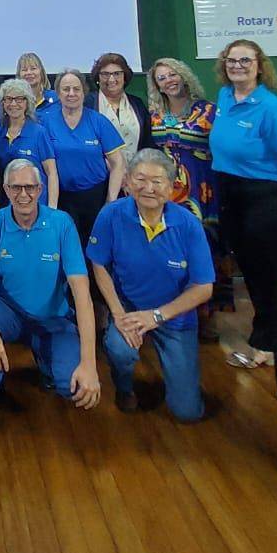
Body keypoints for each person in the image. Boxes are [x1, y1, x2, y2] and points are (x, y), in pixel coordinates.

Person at [0, 160, 101, 422]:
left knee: (75, 386)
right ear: (5, 189)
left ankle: (47, 361)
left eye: (29, 188)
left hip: (54, 319)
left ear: (40, 189)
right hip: (9, 311)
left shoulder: (62, 224)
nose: (23, 195)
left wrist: (90, 364)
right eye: (15, 188)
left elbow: (82, 295)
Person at [209, 39, 277, 368]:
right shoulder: (226, 97)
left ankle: (271, 347)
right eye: (231, 59)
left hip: (265, 199)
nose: (237, 65)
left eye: (245, 60)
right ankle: (268, 341)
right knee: (252, 274)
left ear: (260, 65)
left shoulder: (273, 109)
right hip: (232, 195)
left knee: (271, 277)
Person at [87, 149, 214, 421]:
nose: (148, 188)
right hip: (130, 311)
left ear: (171, 187)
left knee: (187, 412)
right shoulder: (110, 215)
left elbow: (204, 287)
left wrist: (157, 316)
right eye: (140, 179)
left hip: (175, 317)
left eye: (157, 182)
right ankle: (123, 387)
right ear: (128, 183)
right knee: (119, 349)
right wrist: (118, 315)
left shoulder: (189, 225)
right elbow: (99, 265)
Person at [147, 57, 231, 331]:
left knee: (204, 248)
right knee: (171, 250)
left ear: (183, 76)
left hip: (202, 190)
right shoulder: (155, 114)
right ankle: (174, 311)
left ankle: (206, 315)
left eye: (172, 74)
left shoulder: (208, 111)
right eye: (161, 78)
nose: (168, 81)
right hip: (166, 192)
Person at [43, 69, 126, 243]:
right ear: (58, 93)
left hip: (95, 197)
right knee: (66, 248)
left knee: (96, 248)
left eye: (76, 89)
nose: (71, 93)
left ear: (83, 91)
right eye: (66, 89)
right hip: (62, 198)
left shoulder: (98, 121)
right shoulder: (46, 122)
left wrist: (110, 201)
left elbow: (118, 163)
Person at [0, 78, 59, 208]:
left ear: (27, 103)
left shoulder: (39, 133)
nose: (13, 103)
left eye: (19, 99)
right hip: (8, 206)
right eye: (9, 99)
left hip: (37, 205)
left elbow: (52, 173)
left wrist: (52, 209)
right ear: (3, 104)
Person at [86, 52, 153, 163]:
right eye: (105, 74)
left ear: (125, 77)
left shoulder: (137, 104)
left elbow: (147, 142)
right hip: (101, 176)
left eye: (117, 73)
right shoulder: (87, 104)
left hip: (135, 175)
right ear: (98, 78)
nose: (111, 79)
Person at [16, 52, 57, 120]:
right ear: (19, 75)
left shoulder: (56, 98)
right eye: (24, 70)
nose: (29, 73)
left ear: (41, 72)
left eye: (33, 68)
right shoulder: (14, 103)